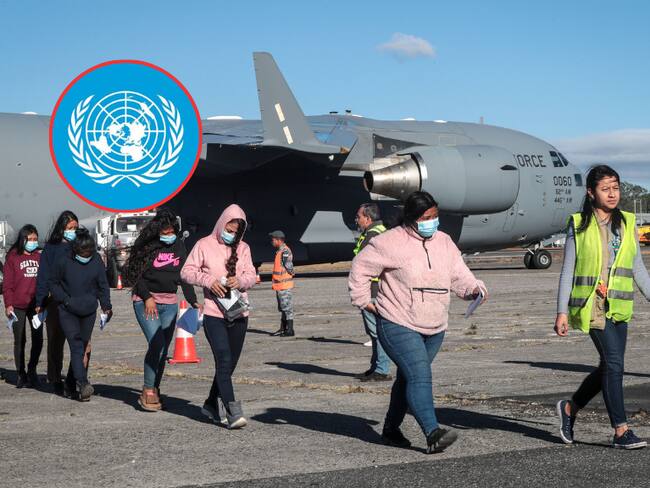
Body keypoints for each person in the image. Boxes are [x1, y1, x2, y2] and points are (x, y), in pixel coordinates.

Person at [349, 191, 487, 453]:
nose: (432, 222)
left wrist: (474, 289)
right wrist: (365, 301)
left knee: (408, 377)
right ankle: (433, 433)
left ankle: (390, 430)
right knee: (420, 375)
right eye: (426, 217)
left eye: (435, 216)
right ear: (412, 218)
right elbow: (360, 268)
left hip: (435, 326)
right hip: (397, 321)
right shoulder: (389, 242)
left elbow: (459, 274)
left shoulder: (444, 242)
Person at [555, 165, 650, 449]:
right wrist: (561, 311)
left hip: (618, 306)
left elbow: (639, 269)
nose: (612, 194)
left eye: (616, 187)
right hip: (591, 305)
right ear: (591, 192)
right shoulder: (579, 224)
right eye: (605, 188)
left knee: (608, 366)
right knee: (614, 364)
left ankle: (570, 409)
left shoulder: (627, 222)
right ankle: (621, 431)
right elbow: (568, 270)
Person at [181, 204, 256, 429]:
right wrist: (208, 281)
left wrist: (240, 281)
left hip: (239, 312)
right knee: (222, 360)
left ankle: (211, 404)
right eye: (229, 229)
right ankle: (233, 411)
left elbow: (252, 275)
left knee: (229, 365)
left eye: (236, 232)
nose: (231, 234)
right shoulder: (203, 244)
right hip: (214, 313)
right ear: (221, 224)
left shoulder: (244, 248)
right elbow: (186, 272)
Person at [123, 208, 200, 412]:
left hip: (170, 303)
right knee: (156, 343)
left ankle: (154, 387)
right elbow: (135, 274)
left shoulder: (179, 245)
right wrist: (147, 297)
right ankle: (148, 389)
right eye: (164, 232)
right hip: (146, 300)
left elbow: (185, 275)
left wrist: (193, 301)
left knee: (163, 349)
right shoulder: (148, 246)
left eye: (171, 231)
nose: (168, 236)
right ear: (157, 231)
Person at [50, 229, 112, 401]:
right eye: (83, 252)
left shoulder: (96, 260)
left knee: (82, 347)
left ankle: (70, 383)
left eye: (89, 252)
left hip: (89, 311)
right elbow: (53, 283)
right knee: (76, 346)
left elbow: (103, 284)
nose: (86, 255)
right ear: (75, 250)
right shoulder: (63, 261)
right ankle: (83, 383)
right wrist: (65, 300)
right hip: (68, 311)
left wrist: (106, 306)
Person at [34, 210, 79, 395]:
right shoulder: (51, 249)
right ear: (62, 228)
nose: (73, 231)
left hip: (77, 300)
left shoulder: (80, 246)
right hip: (55, 302)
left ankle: (73, 378)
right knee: (55, 341)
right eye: (70, 228)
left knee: (79, 343)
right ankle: (54, 378)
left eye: (76, 228)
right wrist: (40, 301)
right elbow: (43, 276)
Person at [352, 203, 391, 382]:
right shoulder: (380, 232)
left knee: (377, 331)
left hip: (373, 291)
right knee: (374, 331)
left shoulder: (373, 236)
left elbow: (366, 265)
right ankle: (376, 366)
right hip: (375, 289)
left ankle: (381, 369)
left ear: (368, 218)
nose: (357, 220)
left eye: (359, 216)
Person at [3, 224, 42, 388]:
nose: (33, 242)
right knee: (20, 340)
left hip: (36, 306)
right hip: (17, 306)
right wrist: (8, 304)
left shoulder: (39, 257)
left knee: (38, 339)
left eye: (35, 239)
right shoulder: (13, 257)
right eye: (30, 239)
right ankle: (21, 373)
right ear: (23, 239)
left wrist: (42, 303)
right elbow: (7, 285)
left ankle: (32, 370)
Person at [269, 230, 295, 337]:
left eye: (273, 239)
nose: (272, 241)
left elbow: (289, 266)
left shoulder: (285, 251)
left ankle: (290, 330)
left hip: (284, 285)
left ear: (279, 240)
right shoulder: (280, 251)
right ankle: (283, 328)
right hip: (280, 285)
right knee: (283, 308)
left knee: (287, 308)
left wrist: (291, 273)